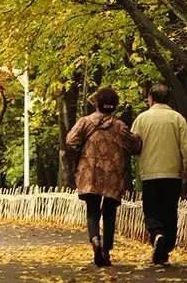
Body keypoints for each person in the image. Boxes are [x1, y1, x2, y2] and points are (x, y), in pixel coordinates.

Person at [67, 88, 143, 267]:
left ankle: (95, 239)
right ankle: (106, 251)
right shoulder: (120, 126)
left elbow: (71, 140)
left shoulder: (85, 123)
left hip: (90, 173)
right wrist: (138, 138)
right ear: (114, 106)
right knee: (109, 212)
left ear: (97, 103)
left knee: (92, 210)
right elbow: (135, 146)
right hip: (113, 175)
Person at [131, 82, 187, 265]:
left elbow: (132, 143)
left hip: (150, 173)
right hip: (172, 174)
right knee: (169, 212)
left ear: (151, 98)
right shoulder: (177, 119)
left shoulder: (142, 119)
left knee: (151, 211)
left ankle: (156, 234)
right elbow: (186, 147)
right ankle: (165, 249)